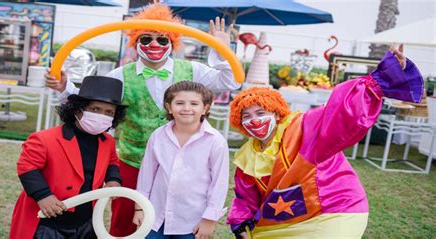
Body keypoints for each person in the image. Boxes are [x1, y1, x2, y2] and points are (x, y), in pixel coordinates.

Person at [45, 3, 240, 236]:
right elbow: (89, 100)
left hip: (181, 164)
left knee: (177, 221)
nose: (154, 45)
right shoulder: (121, 75)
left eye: (162, 39)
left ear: (173, 42)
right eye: (146, 39)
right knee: (125, 221)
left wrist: (221, 49)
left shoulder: (192, 70)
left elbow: (231, 82)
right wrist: (64, 87)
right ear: (136, 42)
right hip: (133, 162)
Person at [226, 45, 424, 238]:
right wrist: (240, 221)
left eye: (261, 113)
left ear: (277, 114)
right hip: (286, 223)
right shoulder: (247, 157)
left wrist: (383, 79)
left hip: (333, 208)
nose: (254, 120)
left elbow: (340, 112)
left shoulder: (302, 128)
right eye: (246, 116)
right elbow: (246, 197)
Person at [10, 76, 127, 239]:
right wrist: (43, 196)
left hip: (86, 220)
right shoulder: (44, 138)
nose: (102, 115)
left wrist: (113, 180)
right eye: (95, 109)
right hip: (48, 220)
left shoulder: (107, 141)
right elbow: (27, 167)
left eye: (109, 112)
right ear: (77, 109)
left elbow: (112, 162)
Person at [132, 81, 230, 239]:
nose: (186, 108)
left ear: (205, 108)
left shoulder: (215, 141)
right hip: (156, 216)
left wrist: (209, 220)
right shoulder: (158, 136)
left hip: (191, 220)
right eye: (179, 103)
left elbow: (219, 184)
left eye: (194, 103)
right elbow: (146, 175)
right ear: (169, 107)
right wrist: (139, 208)